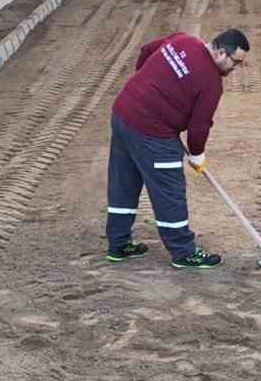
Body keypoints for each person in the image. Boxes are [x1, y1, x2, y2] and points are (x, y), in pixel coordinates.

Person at [106, 29, 250, 269]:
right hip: (153, 133)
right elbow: (199, 127)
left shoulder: (183, 39)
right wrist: (197, 155)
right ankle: (183, 251)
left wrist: (144, 87)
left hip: (123, 113)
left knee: (124, 182)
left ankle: (118, 244)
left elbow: (146, 50)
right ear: (220, 52)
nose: (234, 68)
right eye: (235, 62)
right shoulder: (211, 82)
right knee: (169, 190)